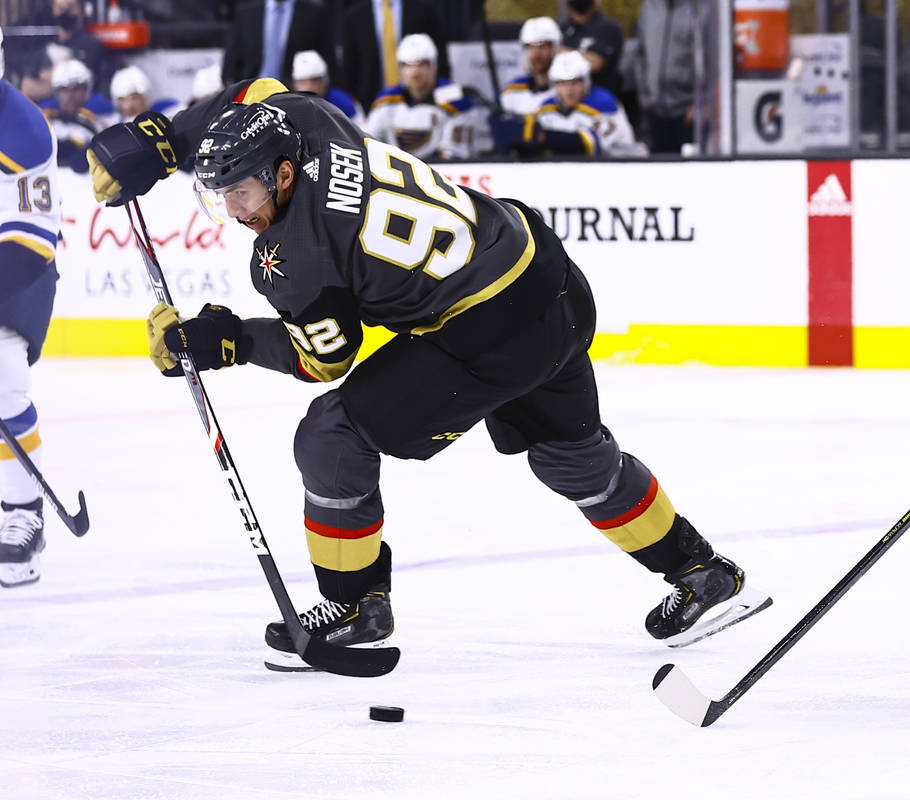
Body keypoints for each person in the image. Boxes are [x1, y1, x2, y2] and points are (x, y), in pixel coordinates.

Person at [84, 75, 772, 669]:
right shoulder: (308, 119)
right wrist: (166, 137)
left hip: (492, 331)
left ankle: (353, 606)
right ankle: (699, 568)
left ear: (283, 174)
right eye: (217, 195)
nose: (233, 213)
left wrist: (226, 340)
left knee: (330, 436)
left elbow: (323, 359)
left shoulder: (294, 255)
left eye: (239, 193)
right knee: (570, 458)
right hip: (545, 272)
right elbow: (253, 95)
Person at [0, 30, 61, 588]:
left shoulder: (21, 126)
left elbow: (32, 241)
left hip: (18, 274)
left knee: (3, 379)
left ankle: (24, 513)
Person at [492, 51, 642, 158]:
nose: (569, 90)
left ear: (586, 82)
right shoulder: (547, 107)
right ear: (555, 85)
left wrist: (542, 138)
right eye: (563, 83)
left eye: (575, 82)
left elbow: (588, 145)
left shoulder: (603, 103)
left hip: (627, 170)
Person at [363, 33, 477, 161]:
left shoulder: (456, 101)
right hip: (395, 174)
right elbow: (366, 142)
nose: (415, 72)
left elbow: (454, 154)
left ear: (434, 66)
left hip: (439, 173)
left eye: (422, 64)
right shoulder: (386, 101)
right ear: (400, 68)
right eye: (408, 65)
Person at [340, 0, 447, 111]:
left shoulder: (425, 10)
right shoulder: (354, 16)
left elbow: (441, 61)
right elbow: (349, 67)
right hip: (369, 106)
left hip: (424, 104)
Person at [629, 0, 704, 154]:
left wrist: (699, 103)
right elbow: (639, 52)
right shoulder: (648, 7)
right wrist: (645, 97)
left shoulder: (699, 8)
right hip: (653, 108)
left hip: (687, 112)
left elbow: (710, 60)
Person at [221, 0, 338, 86]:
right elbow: (231, 63)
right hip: (252, 94)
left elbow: (329, 62)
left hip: (297, 97)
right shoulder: (245, 14)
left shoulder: (315, 14)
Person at [42, 59, 109, 174]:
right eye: (64, 90)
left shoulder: (103, 117)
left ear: (87, 90)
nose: (70, 96)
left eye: (76, 89)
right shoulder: (44, 119)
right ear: (56, 92)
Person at [561, 0, 625, 96]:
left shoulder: (610, 27)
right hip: (564, 100)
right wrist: (586, 56)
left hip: (599, 100)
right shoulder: (561, 28)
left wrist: (562, 52)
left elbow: (597, 64)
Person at [500, 16, 561, 116]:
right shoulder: (511, 92)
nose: (536, 54)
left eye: (542, 46)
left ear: (555, 48)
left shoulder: (568, 92)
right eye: (531, 47)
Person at [291, 50, 364, 125]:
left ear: (325, 80)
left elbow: (360, 131)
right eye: (302, 82)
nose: (309, 87)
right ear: (295, 84)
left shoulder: (342, 102)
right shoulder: (290, 107)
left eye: (315, 80)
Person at [110, 66, 183, 123]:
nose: (128, 106)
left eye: (134, 98)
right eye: (122, 100)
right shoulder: (117, 127)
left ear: (145, 97)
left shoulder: (169, 111)